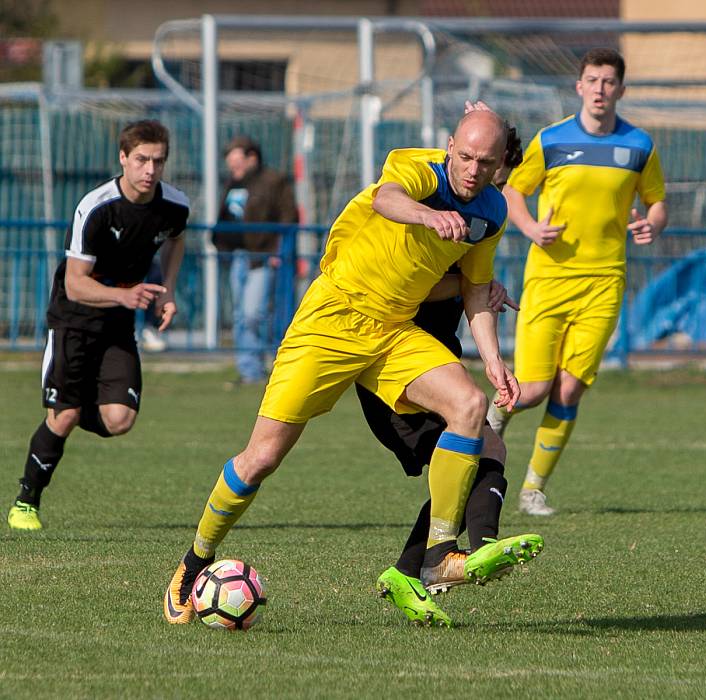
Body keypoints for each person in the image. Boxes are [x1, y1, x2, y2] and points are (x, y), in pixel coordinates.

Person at [164, 108, 527, 625]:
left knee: (470, 406)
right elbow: (387, 197)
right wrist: (428, 215)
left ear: (497, 167)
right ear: (449, 146)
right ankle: (195, 560)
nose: (471, 168)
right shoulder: (417, 168)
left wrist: (494, 361)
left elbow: (474, 287)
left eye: (484, 161)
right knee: (261, 458)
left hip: (394, 331)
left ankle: (440, 555)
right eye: (464, 156)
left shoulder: (491, 211)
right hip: (332, 319)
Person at [360, 121, 542, 627]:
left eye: (494, 172)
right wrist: (473, 285)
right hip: (391, 364)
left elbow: (471, 287)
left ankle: (411, 570)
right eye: (479, 167)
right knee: (474, 454)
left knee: (489, 451)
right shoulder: (436, 203)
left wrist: (483, 299)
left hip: (437, 362)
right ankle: (469, 553)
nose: (486, 182)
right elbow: (412, 288)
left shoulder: (486, 213)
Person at [487, 47, 669, 516]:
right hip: (548, 279)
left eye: (609, 82)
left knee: (569, 390)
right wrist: (529, 229)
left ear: (621, 90)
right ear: (579, 87)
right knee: (530, 389)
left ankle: (532, 489)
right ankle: (487, 425)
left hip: (604, 281)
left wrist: (653, 222)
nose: (600, 89)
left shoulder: (640, 146)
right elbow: (513, 191)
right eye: (592, 80)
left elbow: (656, 201)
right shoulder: (551, 140)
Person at [7, 119, 189, 530]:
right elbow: (74, 284)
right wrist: (125, 296)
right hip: (73, 319)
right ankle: (26, 502)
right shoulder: (96, 208)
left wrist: (168, 290)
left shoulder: (174, 206)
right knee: (66, 416)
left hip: (118, 323)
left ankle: (68, 403)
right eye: (141, 159)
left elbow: (177, 239)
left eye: (158, 161)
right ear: (123, 158)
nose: (149, 170)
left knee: (119, 420)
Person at [214, 136, 298, 385]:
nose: (234, 169)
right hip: (238, 256)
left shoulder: (273, 181)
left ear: (252, 158)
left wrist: (277, 250)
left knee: (254, 314)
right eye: (231, 165)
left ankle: (272, 366)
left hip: (262, 257)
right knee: (241, 315)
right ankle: (249, 371)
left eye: (238, 163)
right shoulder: (233, 183)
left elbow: (288, 217)